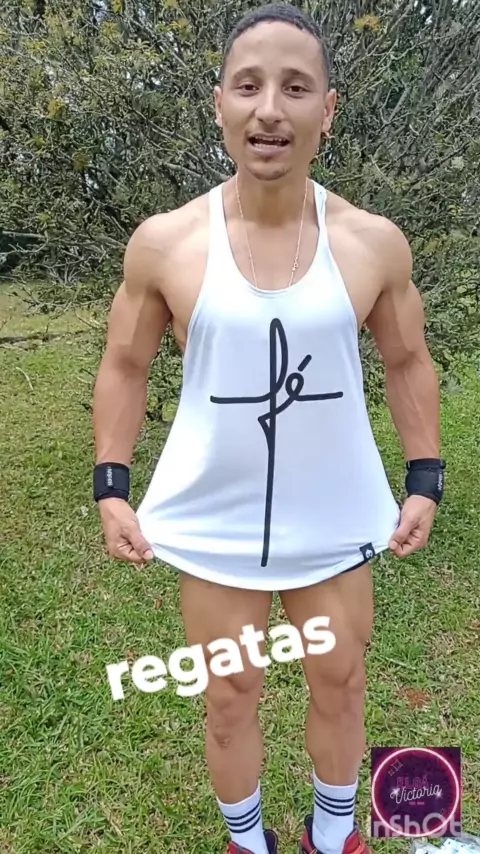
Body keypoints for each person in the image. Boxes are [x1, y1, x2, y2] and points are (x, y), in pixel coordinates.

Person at [92, 4, 445, 853]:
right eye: (248, 86)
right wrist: (111, 486)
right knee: (229, 696)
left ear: (328, 109)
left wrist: (424, 477)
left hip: (332, 515)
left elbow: (407, 360)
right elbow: (125, 364)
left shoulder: (372, 243)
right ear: (220, 103)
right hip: (217, 520)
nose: (270, 110)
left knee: (341, 680)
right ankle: (247, 843)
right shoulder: (165, 244)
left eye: (296, 87)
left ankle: (335, 836)